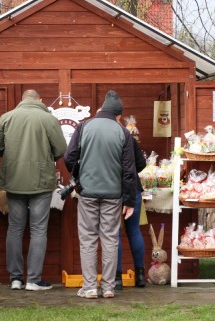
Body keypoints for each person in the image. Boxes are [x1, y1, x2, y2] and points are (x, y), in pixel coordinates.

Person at [0, 89, 67, 291]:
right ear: (40, 100)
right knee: (38, 230)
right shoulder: (48, 119)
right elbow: (61, 149)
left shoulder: (6, 118)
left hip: (14, 180)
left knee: (15, 228)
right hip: (41, 181)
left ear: (22, 100)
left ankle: (15, 279)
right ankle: (33, 279)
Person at [64, 90, 136, 299]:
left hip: (87, 193)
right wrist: (129, 200)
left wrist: (78, 175)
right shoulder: (123, 133)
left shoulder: (84, 126)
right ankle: (108, 287)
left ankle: (89, 287)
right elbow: (129, 170)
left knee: (88, 240)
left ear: (103, 109)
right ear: (117, 114)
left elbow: (70, 157)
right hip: (113, 195)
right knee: (110, 239)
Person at [116, 116, 146, 290]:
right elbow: (141, 163)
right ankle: (140, 275)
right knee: (134, 231)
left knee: (115, 233)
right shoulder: (128, 136)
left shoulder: (106, 137)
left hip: (113, 190)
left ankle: (117, 277)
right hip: (133, 187)